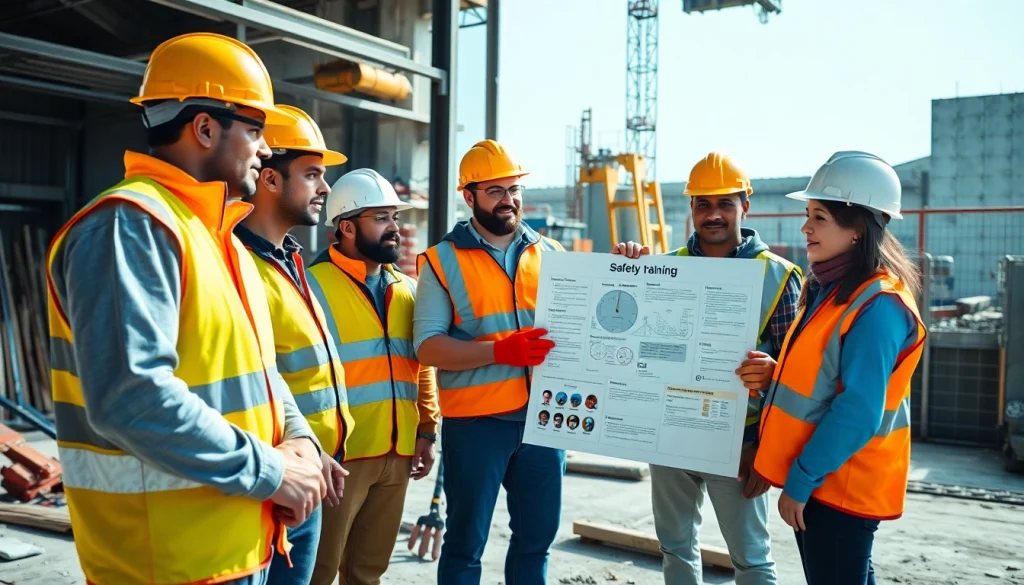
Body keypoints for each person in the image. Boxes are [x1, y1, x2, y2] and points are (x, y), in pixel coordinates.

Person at [46, 32, 326, 585]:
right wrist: (273, 472)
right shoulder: (131, 226)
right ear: (204, 128)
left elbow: (258, 374)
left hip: (239, 546)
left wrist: (300, 440)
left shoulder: (216, 234)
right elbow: (132, 397)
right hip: (168, 565)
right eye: (255, 130)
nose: (266, 149)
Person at [613, 151, 802, 585]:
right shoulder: (664, 266)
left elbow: (796, 377)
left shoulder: (778, 275)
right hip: (670, 437)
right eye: (703, 204)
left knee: (752, 560)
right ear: (691, 208)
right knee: (675, 549)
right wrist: (624, 270)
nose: (713, 214)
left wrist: (766, 450)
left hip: (739, 446)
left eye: (725, 204)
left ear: (745, 207)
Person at [753, 151, 925, 585]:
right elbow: (824, 377)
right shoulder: (832, 288)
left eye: (820, 216)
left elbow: (859, 410)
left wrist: (802, 479)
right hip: (824, 478)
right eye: (808, 214)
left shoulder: (879, 305)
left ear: (857, 230)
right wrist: (777, 374)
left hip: (838, 484)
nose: (805, 227)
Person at [414, 139, 565, 585]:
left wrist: (624, 264)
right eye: (496, 190)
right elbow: (428, 347)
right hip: (477, 426)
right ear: (469, 196)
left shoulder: (551, 254)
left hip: (544, 421)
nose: (509, 199)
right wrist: (500, 351)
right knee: (464, 547)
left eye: (514, 189)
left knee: (536, 542)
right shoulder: (441, 261)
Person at [233, 104, 355, 585]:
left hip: (310, 472)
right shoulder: (238, 263)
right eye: (312, 174)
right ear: (269, 180)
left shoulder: (289, 260)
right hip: (266, 478)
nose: (325, 188)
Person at [307, 168, 441, 585]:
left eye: (394, 218)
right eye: (381, 218)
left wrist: (427, 430)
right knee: (319, 572)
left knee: (368, 572)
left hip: (397, 454)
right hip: (338, 459)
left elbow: (421, 366)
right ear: (346, 227)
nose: (394, 228)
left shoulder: (407, 288)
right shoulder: (311, 286)